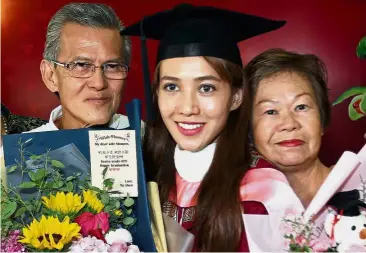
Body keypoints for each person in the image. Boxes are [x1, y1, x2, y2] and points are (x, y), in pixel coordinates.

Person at [122, 3, 289, 252]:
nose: (187, 108)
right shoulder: (142, 172)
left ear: (236, 97)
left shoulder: (263, 192)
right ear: (156, 93)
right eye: (171, 87)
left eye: (206, 88)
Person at [245, 48, 332, 208]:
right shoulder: (238, 208)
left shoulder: (359, 186)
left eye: (301, 107)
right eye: (270, 111)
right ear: (250, 130)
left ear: (322, 119)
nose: (289, 124)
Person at [32, 3, 132, 132]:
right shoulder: (21, 150)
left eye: (112, 66)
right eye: (81, 65)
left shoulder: (153, 142)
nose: (99, 84)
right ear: (50, 76)